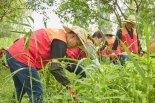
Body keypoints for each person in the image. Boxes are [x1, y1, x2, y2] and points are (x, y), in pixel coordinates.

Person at [6, 26, 90, 103]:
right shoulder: (61, 41)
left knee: (21, 88)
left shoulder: (58, 35)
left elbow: (65, 60)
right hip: (22, 58)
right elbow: (55, 68)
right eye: (76, 44)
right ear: (73, 36)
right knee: (37, 92)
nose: (74, 47)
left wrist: (81, 70)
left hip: (12, 54)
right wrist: (69, 86)